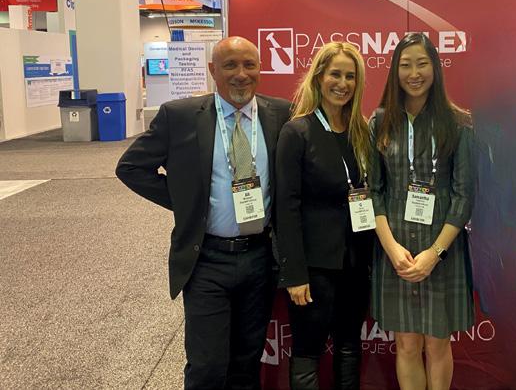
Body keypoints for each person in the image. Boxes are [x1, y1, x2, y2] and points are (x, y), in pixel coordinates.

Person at [116, 36, 291, 390]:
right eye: (230, 65)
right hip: (207, 260)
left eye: (249, 65)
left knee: (247, 363)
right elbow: (131, 167)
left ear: (260, 69)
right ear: (213, 70)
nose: (241, 74)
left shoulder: (281, 113)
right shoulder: (180, 116)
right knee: (207, 367)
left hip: (260, 258)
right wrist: (188, 203)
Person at [369, 32, 475, 390]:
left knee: (438, 344)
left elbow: (463, 196)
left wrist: (434, 253)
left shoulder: (458, 123)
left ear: (435, 68)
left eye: (422, 64)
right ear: (395, 71)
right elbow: (373, 192)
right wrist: (391, 248)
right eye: (405, 65)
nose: (414, 73)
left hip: (442, 248)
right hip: (395, 249)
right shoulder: (379, 122)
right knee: (407, 344)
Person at [275, 42, 375, 390]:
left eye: (350, 76)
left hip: (356, 264)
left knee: (350, 345)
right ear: (319, 77)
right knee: (308, 349)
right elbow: (285, 208)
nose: (342, 83)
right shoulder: (297, 132)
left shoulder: (362, 130)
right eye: (335, 74)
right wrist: (294, 273)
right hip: (313, 267)